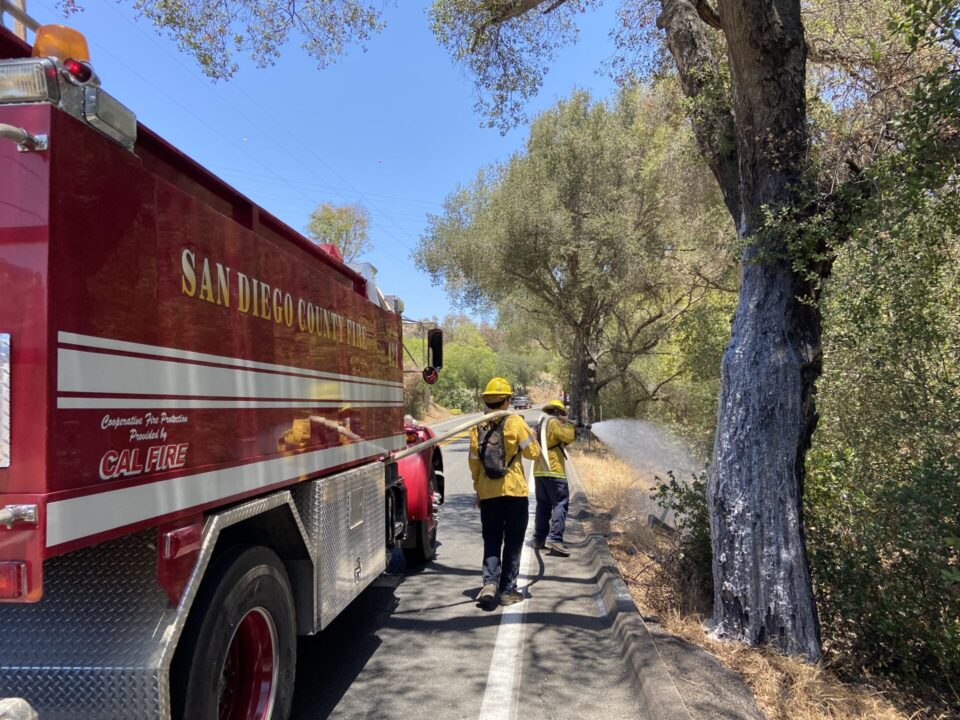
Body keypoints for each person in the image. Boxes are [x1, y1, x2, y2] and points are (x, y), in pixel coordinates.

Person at [469, 377, 541, 607]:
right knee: (513, 540)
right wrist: (533, 436)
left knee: (491, 538)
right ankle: (508, 590)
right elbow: (532, 453)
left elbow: (474, 464)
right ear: (507, 400)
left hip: (488, 493)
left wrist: (478, 490)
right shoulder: (515, 423)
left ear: (487, 401)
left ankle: (490, 582)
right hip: (514, 492)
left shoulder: (476, 427)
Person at [532, 400, 576, 556]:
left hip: (539, 471)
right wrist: (570, 425)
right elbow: (568, 436)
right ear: (558, 412)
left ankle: (538, 539)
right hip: (554, 470)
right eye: (563, 414)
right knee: (560, 503)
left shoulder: (541, 421)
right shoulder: (553, 422)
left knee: (543, 506)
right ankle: (555, 539)